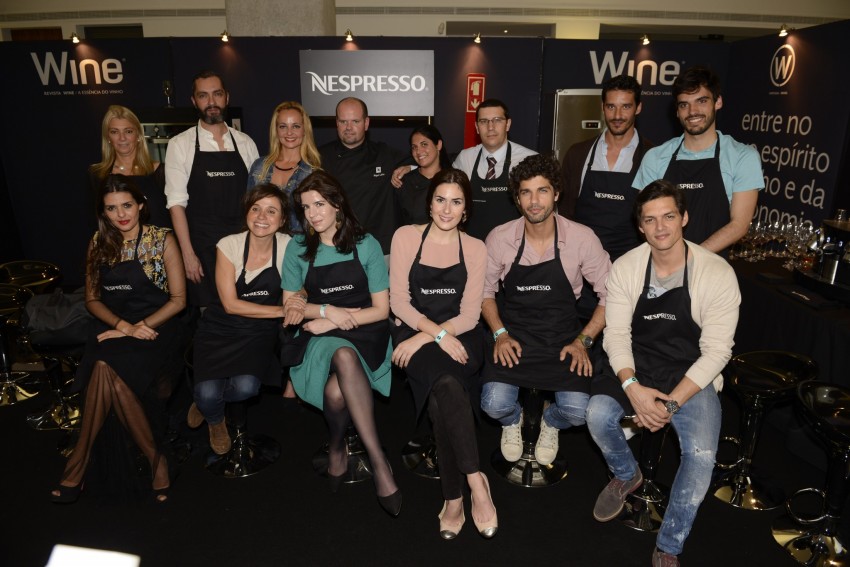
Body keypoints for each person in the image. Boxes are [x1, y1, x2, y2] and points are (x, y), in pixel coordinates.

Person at [586, 180, 740, 567]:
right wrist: (633, 388)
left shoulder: (716, 273)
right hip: (638, 363)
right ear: (640, 226)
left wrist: (669, 405)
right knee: (597, 414)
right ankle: (626, 474)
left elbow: (717, 352)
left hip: (691, 375)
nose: (660, 227)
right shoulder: (626, 267)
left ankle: (669, 545)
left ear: (684, 218)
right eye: (650, 220)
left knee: (701, 455)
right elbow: (616, 335)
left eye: (669, 216)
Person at [51, 175, 187, 504]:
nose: (121, 214)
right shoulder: (99, 243)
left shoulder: (162, 239)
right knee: (104, 364)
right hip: (114, 325)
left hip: (158, 327)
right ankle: (156, 460)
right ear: (103, 212)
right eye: (111, 208)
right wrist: (125, 327)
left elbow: (178, 300)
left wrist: (140, 326)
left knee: (104, 366)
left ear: (141, 205)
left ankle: (77, 464)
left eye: (127, 205)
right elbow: (92, 300)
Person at [280, 170, 401, 516]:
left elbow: (381, 310)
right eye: (306, 208)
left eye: (319, 204)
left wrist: (339, 318)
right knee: (343, 355)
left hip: (365, 329)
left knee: (336, 393)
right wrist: (326, 311)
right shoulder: (297, 248)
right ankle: (379, 461)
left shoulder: (366, 244)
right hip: (319, 333)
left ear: (337, 204)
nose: (313, 214)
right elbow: (290, 307)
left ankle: (336, 446)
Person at [480, 154, 610, 467]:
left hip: (563, 339)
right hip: (514, 335)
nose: (534, 201)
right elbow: (484, 293)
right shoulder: (500, 238)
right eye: (526, 192)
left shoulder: (581, 238)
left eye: (542, 191)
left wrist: (584, 340)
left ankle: (550, 422)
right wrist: (499, 334)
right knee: (493, 405)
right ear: (517, 198)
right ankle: (513, 420)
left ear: (556, 194)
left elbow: (612, 295)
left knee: (577, 413)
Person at [389, 168, 497, 539]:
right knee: (446, 387)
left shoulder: (475, 248)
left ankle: (453, 497)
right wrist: (431, 335)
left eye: (456, 202)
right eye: (440, 199)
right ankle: (475, 480)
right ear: (429, 202)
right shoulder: (406, 236)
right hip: (415, 330)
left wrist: (434, 336)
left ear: (466, 209)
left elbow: (469, 315)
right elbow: (399, 302)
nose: (447, 209)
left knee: (443, 393)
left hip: (462, 334)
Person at [188, 184, 295, 454]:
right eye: (255, 208)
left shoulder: (288, 246)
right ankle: (214, 418)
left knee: (245, 388)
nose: (262, 217)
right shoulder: (229, 244)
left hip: (257, 331)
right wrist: (281, 311)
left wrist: (299, 298)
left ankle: (209, 405)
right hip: (219, 327)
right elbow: (230, 304)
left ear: (283, 219)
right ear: (247, 212)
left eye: (271, 211)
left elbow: (300, 286)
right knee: (207, 394)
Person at [632, 66, 762, 255]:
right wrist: (673, 261)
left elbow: (739, 224)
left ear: (718, 102)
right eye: (684, 105)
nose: (692, 111)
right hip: (663, 261)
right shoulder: (655, 157)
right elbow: (647, 218)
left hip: (713, 265)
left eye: (701, 101)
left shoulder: (742, 157)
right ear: (677, 111)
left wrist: (692, 258)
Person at [165, 70, 260, 307]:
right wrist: (187, 254)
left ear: (226, 97)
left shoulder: (245, 143)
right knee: (209, 313)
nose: (211, 102)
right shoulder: (180, 144)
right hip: (202, 248)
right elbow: (176, 205)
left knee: (247, 310)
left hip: (242, 246)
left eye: (217, 94)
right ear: (194, 101)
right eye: (203, 96)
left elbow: (258, 200)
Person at [560, 75, 653, 262]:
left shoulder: (653, 157)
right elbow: (565, 213)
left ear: (638, 108)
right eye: (611, 107)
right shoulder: (578, 154)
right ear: (603, 107)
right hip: (581, 261)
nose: (617, 115)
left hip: (631, 263)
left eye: (626, 106)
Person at [319, 97, 410, 255]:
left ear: (366, 123)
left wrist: (408, 167)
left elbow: (422, 161)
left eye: (355, 121)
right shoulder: (321, 157)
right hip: (338, 246)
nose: (349, 127)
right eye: (343, 122)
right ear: (336, 123)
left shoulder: (384, 153)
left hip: (381, 248)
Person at [89, 105, 171, 229]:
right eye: (114, 132)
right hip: (116, 241)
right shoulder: (97, 175)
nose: (122, 138)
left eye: (128, 131)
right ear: (108, 137)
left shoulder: (161, 172)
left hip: (160, 241)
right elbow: (96, 223)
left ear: (138, 135)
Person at [247, 101, 321, 234]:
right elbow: (249, 211)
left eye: (296, 126)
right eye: (283, 126)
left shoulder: (313, 172)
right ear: (276, 130)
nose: (289, 132)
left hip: (298, 244)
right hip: (263, 242)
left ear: (305, 130)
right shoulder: (259, 166)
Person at [397, 124, 451, 226]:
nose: (418, 151)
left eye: (424, 144)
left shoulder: (452, 180)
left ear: (438, 145)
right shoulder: (404, 182)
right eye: (414, 147)